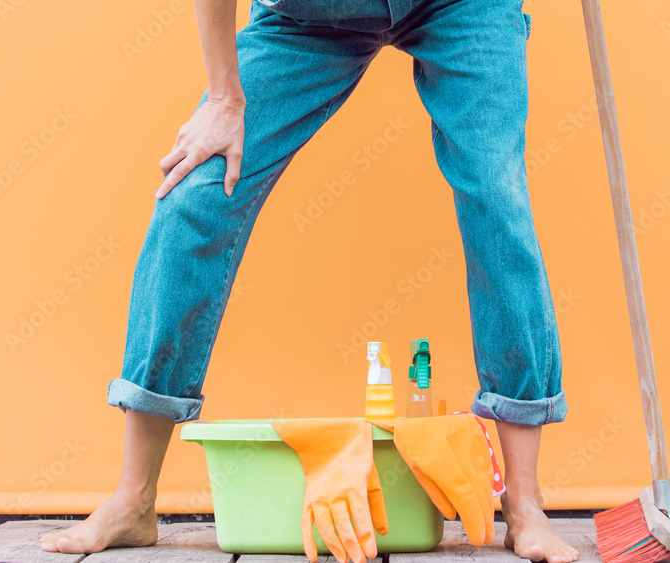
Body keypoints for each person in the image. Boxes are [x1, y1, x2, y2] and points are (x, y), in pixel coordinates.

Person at [39, 0, 579, 561]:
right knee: (195, 197)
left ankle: (523, 503)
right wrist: (225, 98)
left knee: (497, 197)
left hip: (460, 6)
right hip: (309, 12)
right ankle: (134, 499)